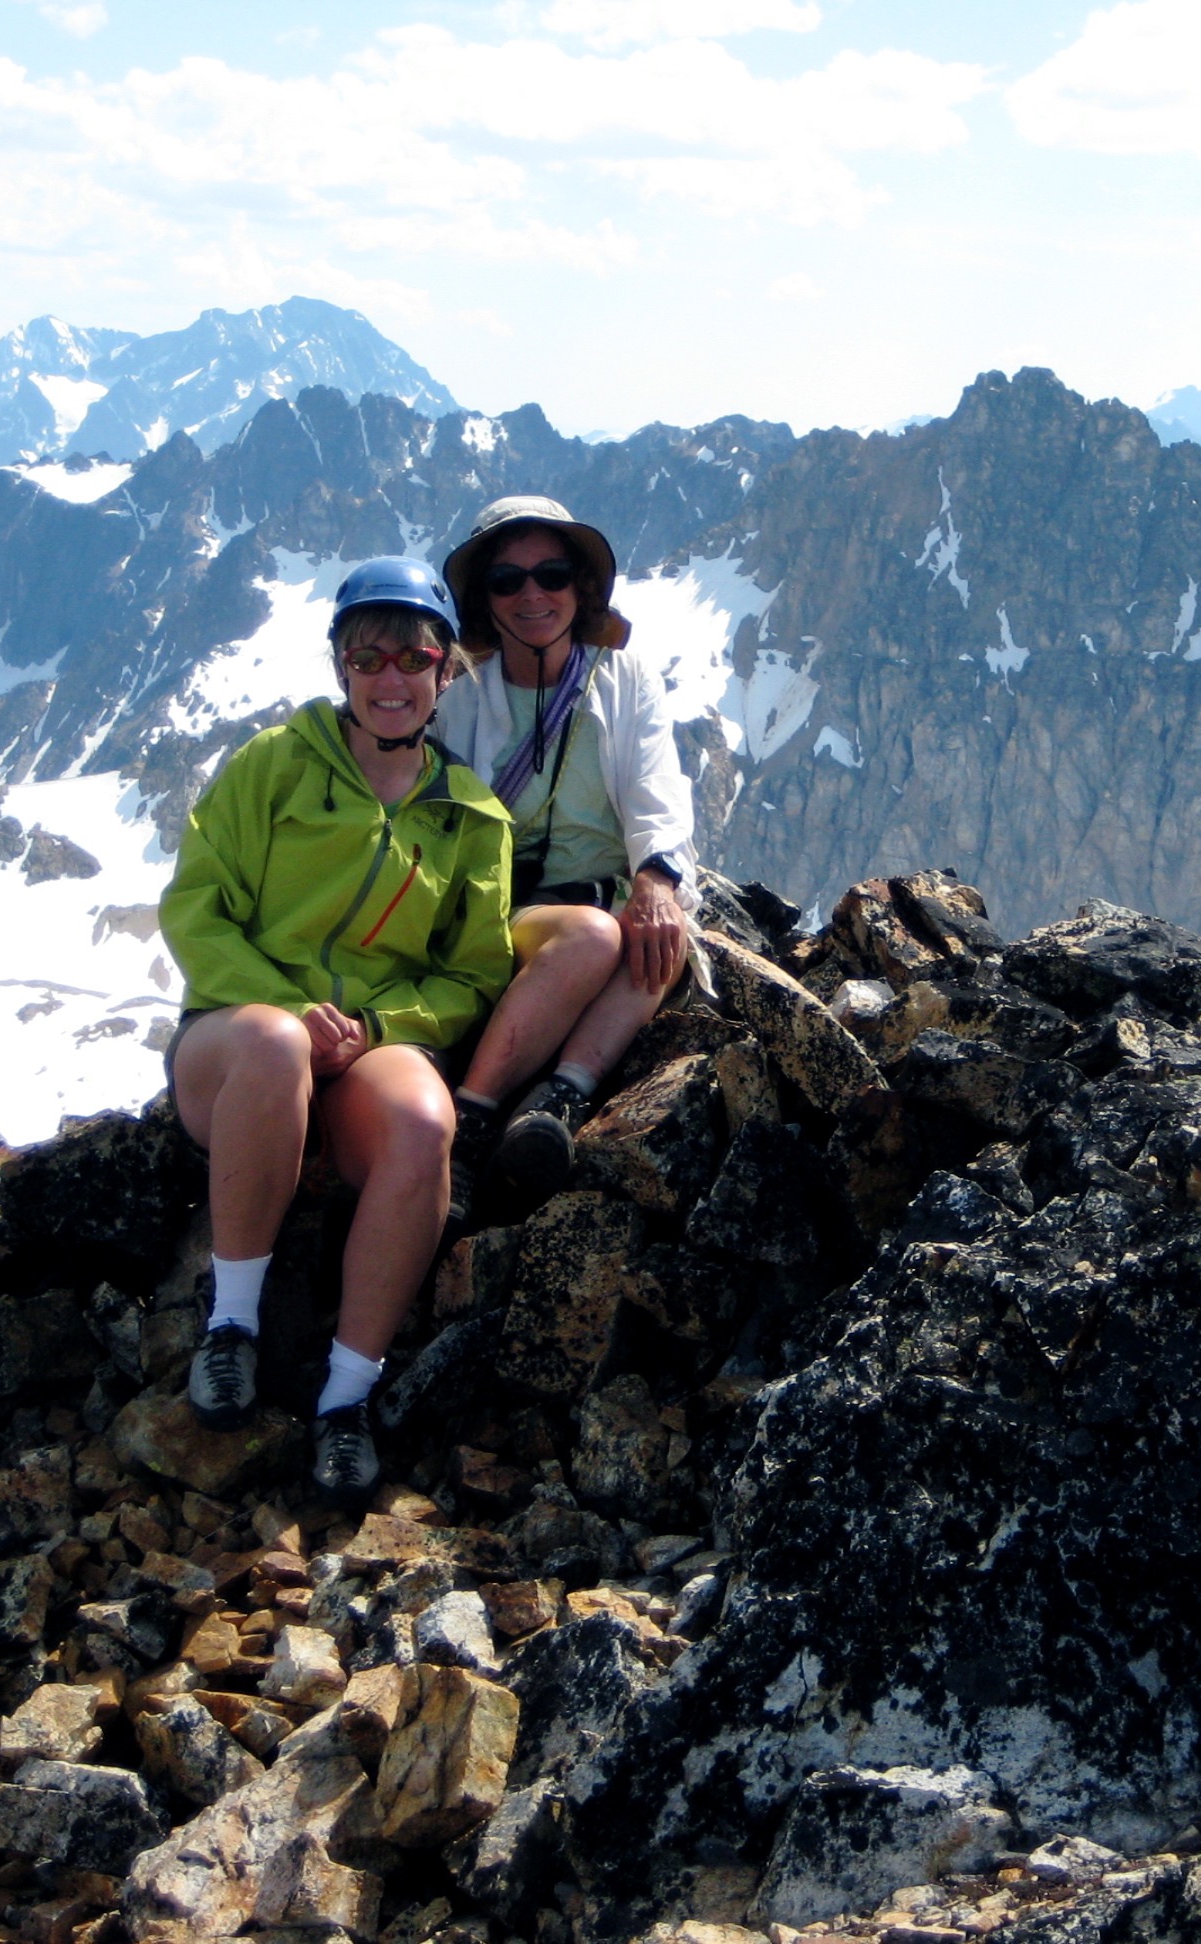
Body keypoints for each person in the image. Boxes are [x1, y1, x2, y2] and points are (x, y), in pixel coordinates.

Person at [158, 556, 513, 1509]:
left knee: (426, 1126)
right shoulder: (274, 765)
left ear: (446, 674)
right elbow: (196, 911)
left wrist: (374, 1028)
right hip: (236, 1046)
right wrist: (283, 1006)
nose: (391, 680)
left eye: (415, 658)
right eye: (369, 658)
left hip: (360, 1052)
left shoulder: (471, 820)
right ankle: (231, 1328)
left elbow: (473, 974)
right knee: (275, 1047)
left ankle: (345, 1400)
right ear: (341, 668)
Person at [436, 496, 700, 1216]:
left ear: (580, 588)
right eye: (507, 581)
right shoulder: (457, 708)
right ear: (483, 601)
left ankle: (559, 1100)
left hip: (609, 894)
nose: (532, 595)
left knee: (662, 932)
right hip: (510, 914)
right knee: (596, 938)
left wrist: (657, 880)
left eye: (551, 575)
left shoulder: (625, 680)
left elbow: (657, 787)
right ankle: (472, 1122)